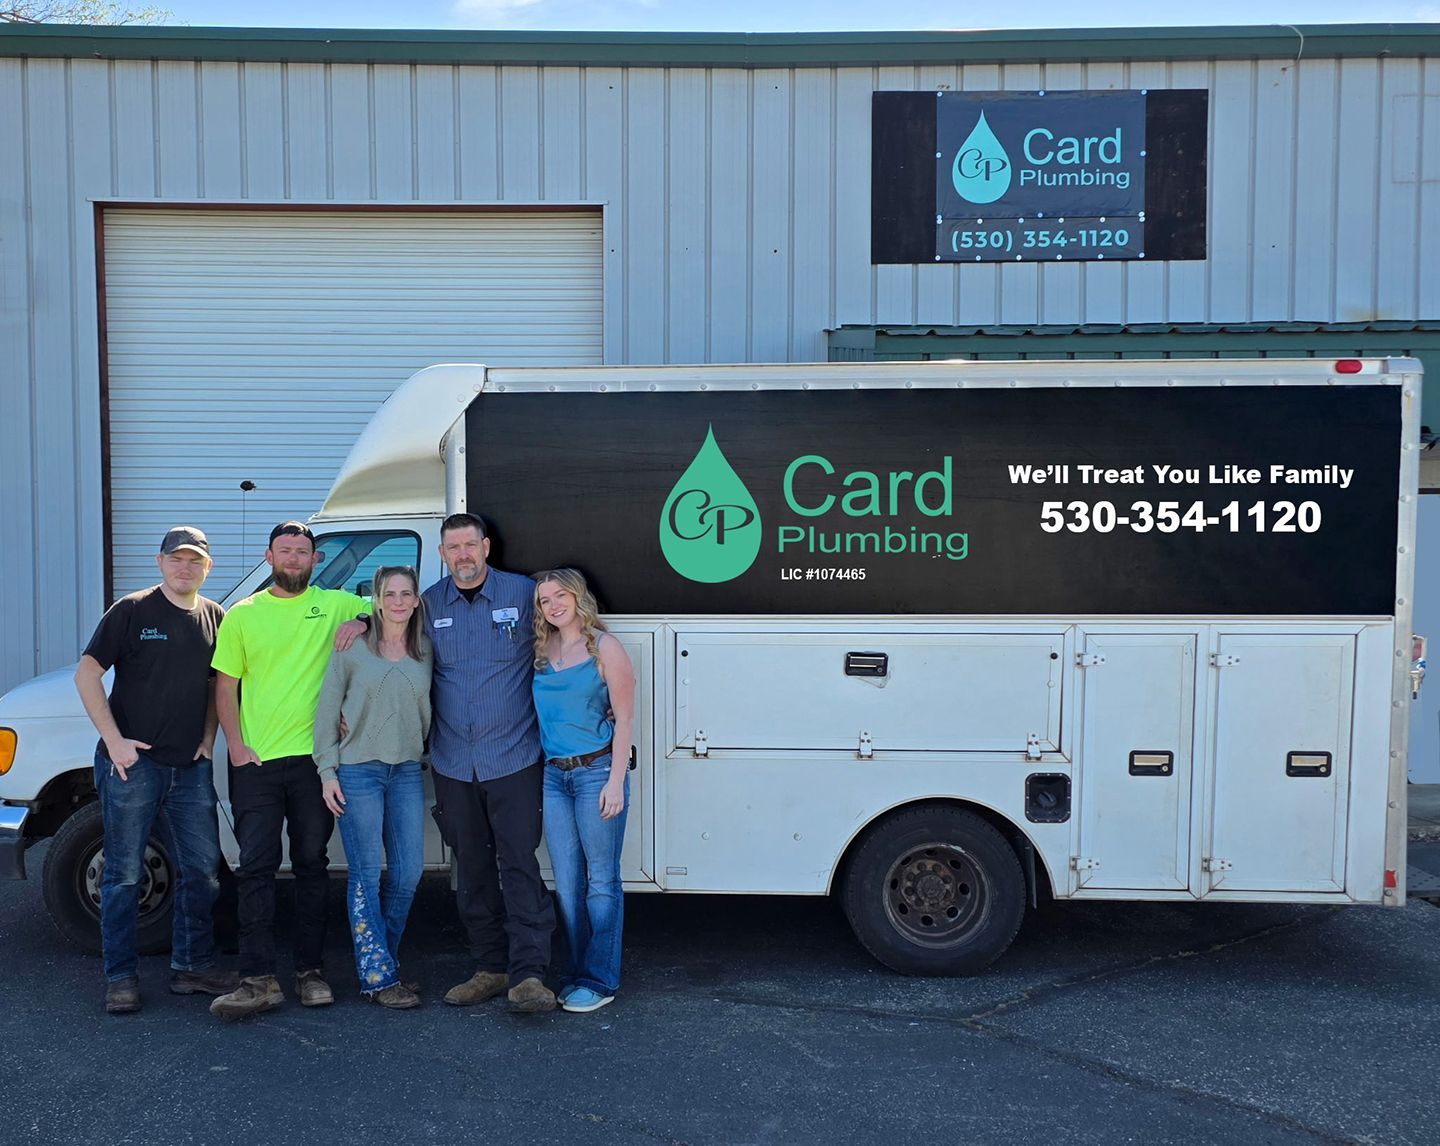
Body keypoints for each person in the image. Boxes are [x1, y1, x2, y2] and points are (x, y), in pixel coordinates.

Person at [208, 521, 369, 1019]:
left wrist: (365, 622)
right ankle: (257, 978)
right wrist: (234, 744)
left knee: (311, 865)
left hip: (316, 762)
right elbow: (225, 685)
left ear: (315, 560)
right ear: (269, 556)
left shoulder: (338, 604)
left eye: (303, 551)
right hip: (256, 762)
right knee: (254, 867)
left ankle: (310, 972)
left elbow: (397, 608)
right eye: (286, 551)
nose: (295, 558)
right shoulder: (243, 615)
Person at [74, 526, 236, 1015]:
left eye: (195, 561)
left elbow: (214, 685)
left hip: (189, 770)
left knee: (203, 873)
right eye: (176, 559)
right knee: (123, 875)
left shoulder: (215, 616)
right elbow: (87, 673)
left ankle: (191, 966)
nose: (185, 568)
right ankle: (120, 978)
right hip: (133, 768)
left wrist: (208, 739)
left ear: (208, 567)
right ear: (160, 562)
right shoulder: (132, 609)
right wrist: (114, 741)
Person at [424, 512, 557, 1013]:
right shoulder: (428, 603)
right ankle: (489, 967)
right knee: (473, 870)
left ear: (486, 547)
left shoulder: (525, 594)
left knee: (519, 865)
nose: (462, 555)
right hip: (454, 763)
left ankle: (529, 975)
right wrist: (360, 620)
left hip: (515, 759)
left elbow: (569, 630)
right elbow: (391, 636)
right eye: (452, 547)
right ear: (442, 554)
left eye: (469, 545)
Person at [314, 566, 432, 1010]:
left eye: (406, 594)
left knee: (408, 874)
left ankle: (384, 961)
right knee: (365, 875)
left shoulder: (426, 650)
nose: (399, 601)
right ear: (376, 600)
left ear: (417, 600)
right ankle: (379, 975)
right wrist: (327, 771)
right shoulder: (352, 648)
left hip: (405, 770)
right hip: (357, 770)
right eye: (390, 594)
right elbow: (327, 710)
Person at [532, 568, 636, 1014]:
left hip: (596, 773)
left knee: (602, 882)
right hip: (554, 777)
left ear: (577, 597)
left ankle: (600, 978)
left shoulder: (604, 646)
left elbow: (626, 720)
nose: (553, 605)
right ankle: (576, 972)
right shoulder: (540, 650)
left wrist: (616, 780)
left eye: (560, 596)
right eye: (543, 600)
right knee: (568, 884)